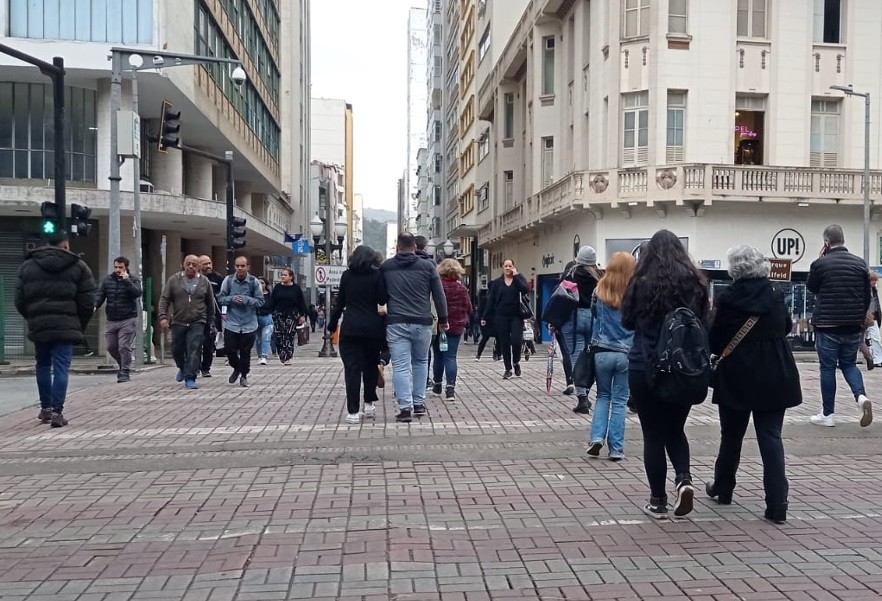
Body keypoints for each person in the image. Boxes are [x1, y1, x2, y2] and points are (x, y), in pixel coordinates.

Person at [706, 245, 802, 524]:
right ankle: (777, 503)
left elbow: (715, 341)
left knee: (731, 436)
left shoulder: (727, 299)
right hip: (775, 371)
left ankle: (723, 489)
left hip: (737, 375)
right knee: (771, 437)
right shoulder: (775, 294)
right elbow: (785, 327)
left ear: (734, 268)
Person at [621, 230, 710, 519]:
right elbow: (704, 319)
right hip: (682, 365)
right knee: (675, 428)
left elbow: (627, 321)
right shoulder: (695, 283)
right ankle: (684, 479)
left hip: (644, 363)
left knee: (652, 435)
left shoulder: (639, 283)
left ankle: (658, 500)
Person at [15, 233, 97, 427]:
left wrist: (33, 317)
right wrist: (78, 324)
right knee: (61, 367)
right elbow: (87, 302)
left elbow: (19, 299)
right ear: (66, 246)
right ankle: (57, 412)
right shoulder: (79, 266)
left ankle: (45, 409)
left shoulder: (28, 265)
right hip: (66, 326)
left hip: (40, 325)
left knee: (42, 365)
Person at [806, 224, 873, 428]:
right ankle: (860, 397)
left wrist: (820, 259)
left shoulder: (821, 264)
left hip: (828, 325)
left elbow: (812, 287)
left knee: (827, 369)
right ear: (843, 240)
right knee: (849, 364)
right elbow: (866, 296)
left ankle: (828, 414)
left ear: (826, 242)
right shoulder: (860, 264)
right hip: (852, 325)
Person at [381, 232, 448, 422]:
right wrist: (443, 319)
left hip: (396, 322)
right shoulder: (428, 266)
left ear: (397, 247)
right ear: (415, 247)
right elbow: (439, 295)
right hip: (422, 322)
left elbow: (380, 295)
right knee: (420, 362)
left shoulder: (387, 267)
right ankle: (419, 403)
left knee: (401, 366)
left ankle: (404, 408)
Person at [328, 245, 388, 423]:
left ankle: (353, 411)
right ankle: (369, 403)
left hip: (351, 328)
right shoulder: (377, 275)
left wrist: (332, 325)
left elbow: (340, 303)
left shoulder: (347, 276)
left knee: (352, 370)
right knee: (370, 366)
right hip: (373, 329)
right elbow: (382, 299)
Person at [585, 252, 636, 462]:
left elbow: (593, 316)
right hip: (625, 353)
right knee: (619, 401)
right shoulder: (633, 292)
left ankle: (596, 437)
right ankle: (616, 449)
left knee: (602, 396)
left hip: (602, 351)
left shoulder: (599, 290)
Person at [158, 255, 215, 389]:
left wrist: (210, 322)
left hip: (197, 321)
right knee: (176, 349)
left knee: (194, 350)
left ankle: (190, 377)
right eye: (188, 264)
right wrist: (163, 317)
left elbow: (210, 303)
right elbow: (164, 299)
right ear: (183, 264)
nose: (191, 266)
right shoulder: (174, 280)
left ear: (198, 267)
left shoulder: (204, 282)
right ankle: (182, 367)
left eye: (194, 265)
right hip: (178, 321)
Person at [558, 246, 603, 413]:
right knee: (592, 355)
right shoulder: (599, 276)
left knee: (576, 356)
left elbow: (560, 296)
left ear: (578, 259)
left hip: (572, 318)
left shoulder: (570, 274)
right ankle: (590, 393)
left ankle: (582, 398)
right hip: (594, 318)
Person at [94, 256, 143, 383]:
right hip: (112, 319)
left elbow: (137, 293)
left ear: (126, 267)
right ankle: (122, 364)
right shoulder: (107, 280)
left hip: (127, 318)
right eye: (116, 267)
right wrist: (95, 305)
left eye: (120, 267)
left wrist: (127, 281)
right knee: (111, 346)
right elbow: (100, 295)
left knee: (124, 346)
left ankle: (125, 371)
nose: (118, 270)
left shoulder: (133, 280)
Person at [217, 257, 263, 387]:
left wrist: (246, 299)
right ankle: (237, 367)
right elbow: (220, 298)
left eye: (242, 266)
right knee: (230, 350)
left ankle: (244, 376)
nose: (240, 268)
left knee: (245, 352)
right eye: (237, 266)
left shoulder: (254, 282)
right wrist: (232, 299)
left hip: (249, 323)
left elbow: (260, 301)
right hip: (232, 323)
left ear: (248, 267)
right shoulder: (229, 280)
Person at [431, 259, 472, 402]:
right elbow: (469, 308)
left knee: (438, 356)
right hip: (456, 327)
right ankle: (450, 390)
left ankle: (437, 385)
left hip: (439, 326)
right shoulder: (462, 289)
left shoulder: (437, 286)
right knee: (451, 357)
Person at [482, 259, 529, 379]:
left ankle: (516, 362)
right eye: (506, 266)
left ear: (513, 267)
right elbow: (491, 300)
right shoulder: (497, 283)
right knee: (504, 342)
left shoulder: (518, 280)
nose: (508, 268)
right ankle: (508, 368)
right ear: (502, 267)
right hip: (501, 316)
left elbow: (525, 290)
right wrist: (485, 316)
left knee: (516, 341)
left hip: (516, 316)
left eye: (510, 266)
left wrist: (516, 275)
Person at [271, 268, 308, 365]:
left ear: (291, 277)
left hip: (292, 315)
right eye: (282, 275)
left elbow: (301, 302)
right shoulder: (277, 287)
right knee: (278, 335)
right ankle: (282, 355)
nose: (283, 277)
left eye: (285, 275)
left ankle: (288, 356)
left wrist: (302, 315)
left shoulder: (296, 288)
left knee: (288, 335)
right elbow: (272, 301)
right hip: (278, 314)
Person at [198, 255, 224, 377]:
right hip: (196, 315)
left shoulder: (218, 278)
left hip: (212, 316)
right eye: (204, 263)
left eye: (209, 263)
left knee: (208, 343)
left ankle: (206, 368)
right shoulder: (195, 278)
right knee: (195, 343)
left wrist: (224, 314)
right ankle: (195, 366)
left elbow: (223, 298)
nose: (208, 266)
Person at [475, 287, 499, 361]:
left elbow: (479, 310)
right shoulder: (496, 299)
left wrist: (481, 318)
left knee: (485, 338)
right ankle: (497, 353)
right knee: (498, 338)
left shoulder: (484, 299)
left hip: (488, 321)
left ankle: (478, 355)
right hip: (493, 321)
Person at [254, 276, 274, 365]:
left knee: (266, 337)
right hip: (256, 318)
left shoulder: (270, 295)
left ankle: (264, 356)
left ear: (265, 284)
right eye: (258, 283)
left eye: (262, 283)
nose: (260, 285)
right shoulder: (254, 294)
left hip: (267, 318)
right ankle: (259, 355)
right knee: (258, 339)